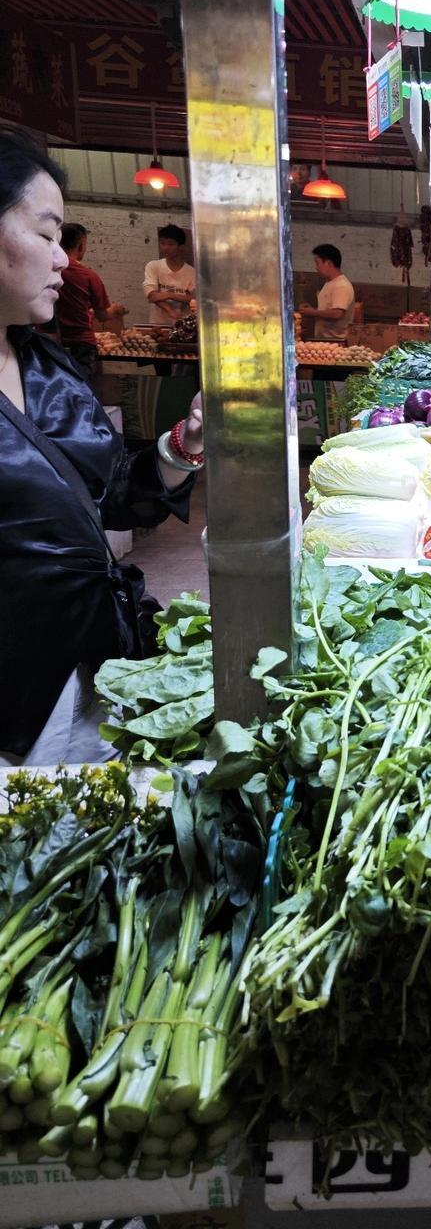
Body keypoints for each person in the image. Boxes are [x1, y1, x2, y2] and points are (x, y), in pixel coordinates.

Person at [0, 128, 204, 763]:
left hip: (94, 660)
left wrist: (184, 443)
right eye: (45, 234)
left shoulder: (47, 365)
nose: (64, 260)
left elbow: (114, 495)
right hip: (16, 690)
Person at [54, 223, 124, 379]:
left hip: (49, 341)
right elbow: (103, 315)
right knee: (82, 388)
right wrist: (116, 310)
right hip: (81, 344)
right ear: (80, 245)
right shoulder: (88, 276)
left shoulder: (48, 269)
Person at [301, 244, 356, 343]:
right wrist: (313, 310)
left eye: (318, 263)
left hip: (336, 343)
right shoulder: (330, 283)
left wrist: (312, 312)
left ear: (329, 264)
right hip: (325, 340)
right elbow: (329, 309)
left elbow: (337, 313)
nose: (316, 267)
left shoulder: (341, 285)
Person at [143, 224, 196, 326]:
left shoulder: (191, 272)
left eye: (170, 244)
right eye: (162, 243)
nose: (165, 248)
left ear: (181, 247)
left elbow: (194, 298)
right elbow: (152, 296)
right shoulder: (153, 266)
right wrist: (172, 312)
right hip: (158, 325)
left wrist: (168, 295)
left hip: (183, 327)